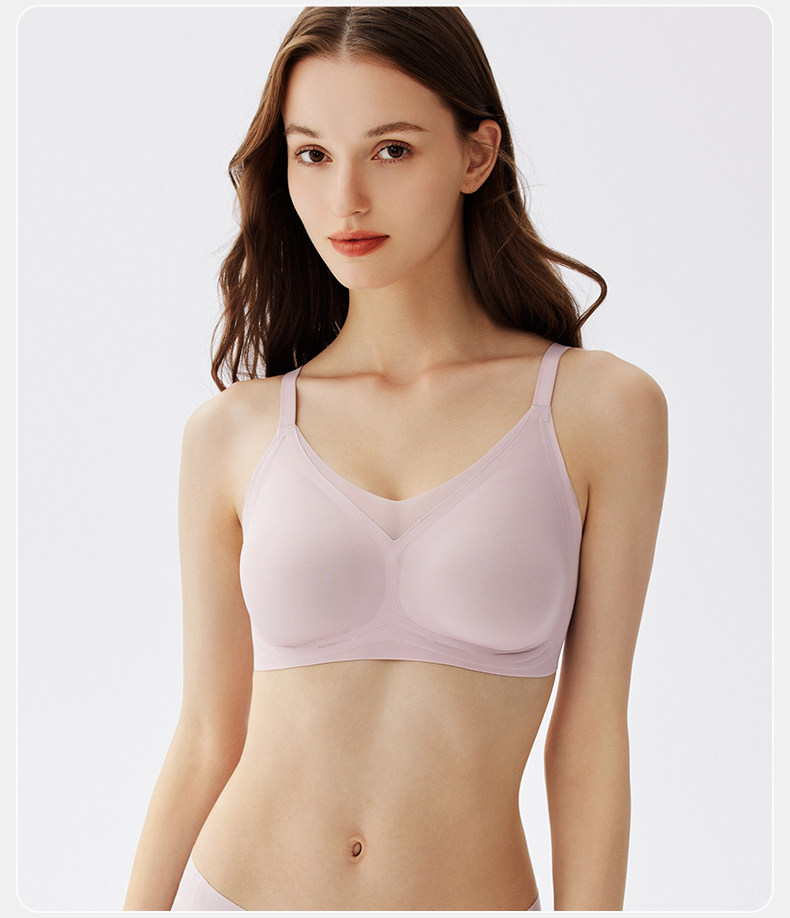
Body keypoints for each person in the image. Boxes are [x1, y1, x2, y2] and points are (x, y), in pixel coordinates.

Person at [123, 6, 668, 911]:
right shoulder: (233, 432)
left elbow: (592, 734)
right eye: (312, 153)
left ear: (476, 155)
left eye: (391, 150)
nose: (346, 200)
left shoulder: (598, 410)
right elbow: (206, 735)